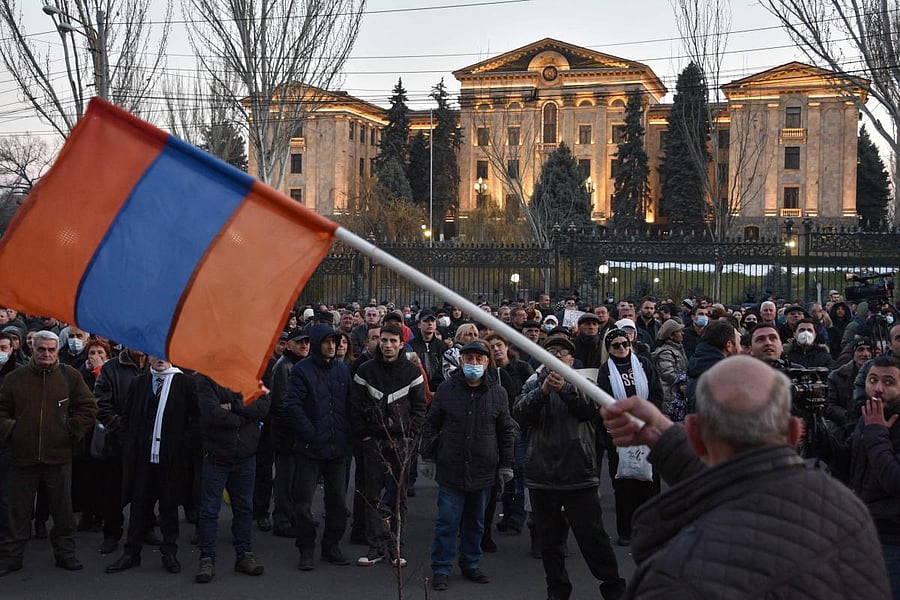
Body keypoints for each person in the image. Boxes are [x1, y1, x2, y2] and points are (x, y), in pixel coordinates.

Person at [601, 355, 890, 599]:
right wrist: (665, 438)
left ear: (694, 435)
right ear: (793, 432)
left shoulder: (675, 577)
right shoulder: (850, 511)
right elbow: (742, 481)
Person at [514, 336, 626, 600]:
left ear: (571, 359)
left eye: (562, 352)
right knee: (550, 543)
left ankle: (613, 588)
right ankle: (557, 591)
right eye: (551, 350)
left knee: (593, 538)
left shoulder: (585, 382)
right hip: (542, 474)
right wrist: (542, 392)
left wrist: (565, 388)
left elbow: (590, 410)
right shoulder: (532, 384)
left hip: (578, 473)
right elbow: (519, 413)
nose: (556, 355)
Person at [420, 340, 516, 591]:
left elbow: (506, 431)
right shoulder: (446, 390)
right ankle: (441, 568)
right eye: (469, 359)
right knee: (447, 522)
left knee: (476, 523)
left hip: (483, 470)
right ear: (461, 361)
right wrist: (427, 456)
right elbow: (431, 424)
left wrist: (506, 464)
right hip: (451, 468)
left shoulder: (498, 393)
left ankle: (470, 563)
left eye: (479, 359)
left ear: (486, 363)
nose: (474, 363)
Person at [0, 331, 97, 576]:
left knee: (62, 512)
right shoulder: (15, 378)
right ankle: (11, 557)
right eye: (41, 349)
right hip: (22, 456)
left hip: (58, 456)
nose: (46, 353)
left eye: (51, 349)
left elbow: (88, 407)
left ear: (57, 350)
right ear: (32, 349)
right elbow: (1, 410)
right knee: (18, 512)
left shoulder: (70, 376)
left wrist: (70, 429)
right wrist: (13, 431)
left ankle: (65, 554)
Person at [105, 358, 196, 575]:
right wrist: (129, 445)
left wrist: (181, 448)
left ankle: (170, 552)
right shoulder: (140, 383)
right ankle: (131, 553)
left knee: (169, 507)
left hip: (171, 458)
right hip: (142, 458)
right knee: (138, 506)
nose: (160, 359)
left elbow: (194, 421)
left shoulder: (185, 383)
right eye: (155, 354)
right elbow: (127, 417)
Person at [350, 322, 427, 568]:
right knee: (371, 494)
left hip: (401, 442)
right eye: (384, 340)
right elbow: (354, 405)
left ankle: (395, 546)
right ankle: (375, 546)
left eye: (393, 341)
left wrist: (410, 435)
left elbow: (420, 408)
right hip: (373, 441)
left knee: (398, 497)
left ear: (401, 344)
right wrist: (364, 435)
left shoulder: (412, 372)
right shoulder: (365, 370)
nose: (388, 345)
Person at [282, 324, 352, 571]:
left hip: (337, 448)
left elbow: (349, 404)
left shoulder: (342, 370)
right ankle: (306, 548)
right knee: (302, 503)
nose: (332, 346)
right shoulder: (301, 371)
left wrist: (347, 435)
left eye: (335, 341)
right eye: (326, 342)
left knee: (338, 502)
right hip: (310, 449)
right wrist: (311, 433)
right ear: (317, 343)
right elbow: (292, 406)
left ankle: (331, 546)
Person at [194, 374, 270, 584]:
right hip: (216, 458)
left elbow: (263, 406)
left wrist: (234, 406)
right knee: (209, 511)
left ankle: (244, 555)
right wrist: (245, 417)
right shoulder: (206, 379)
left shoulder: (251, 376)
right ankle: (207, 558)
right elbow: (212, 413)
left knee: (244, 508)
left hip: (245, 456)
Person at [598, 328, 663, 546]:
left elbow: (656, 392)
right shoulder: (606, 370)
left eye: (625, 344)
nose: (622, 348)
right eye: (616, 345)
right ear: (609, 349)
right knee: (623, 483)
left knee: (650, 481)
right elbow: (605, 398)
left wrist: (646, 415)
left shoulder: (644, 364)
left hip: (646, 428)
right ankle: (626, 531)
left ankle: (652, 529)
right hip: (620, 431)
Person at [847, 355, 900, 597]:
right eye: (872, 380)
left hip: (893, 539)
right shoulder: (869, 415)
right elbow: (848, 462)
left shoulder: (874, 423)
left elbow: (894, 480)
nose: (878, 388)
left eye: (888, 382)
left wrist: (877, 433)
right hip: (864, 530)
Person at [269, 328, 311, 537]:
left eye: (307, 342)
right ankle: (282, 520)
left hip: (297, 433)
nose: (304, 346)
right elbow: (280, 404)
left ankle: (295, 516)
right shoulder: (284, 366)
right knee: (285, 480)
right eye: (300, 342)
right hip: (287, 434)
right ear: (289, 345)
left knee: (297, 479)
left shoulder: (299, 365)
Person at [651, 319, 687, 415]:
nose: (682, 333)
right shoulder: (666, 353)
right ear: (671, 335)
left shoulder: (679, 348)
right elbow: (668, 373)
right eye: (679, 331)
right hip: (670, 396)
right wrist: (681, 383)